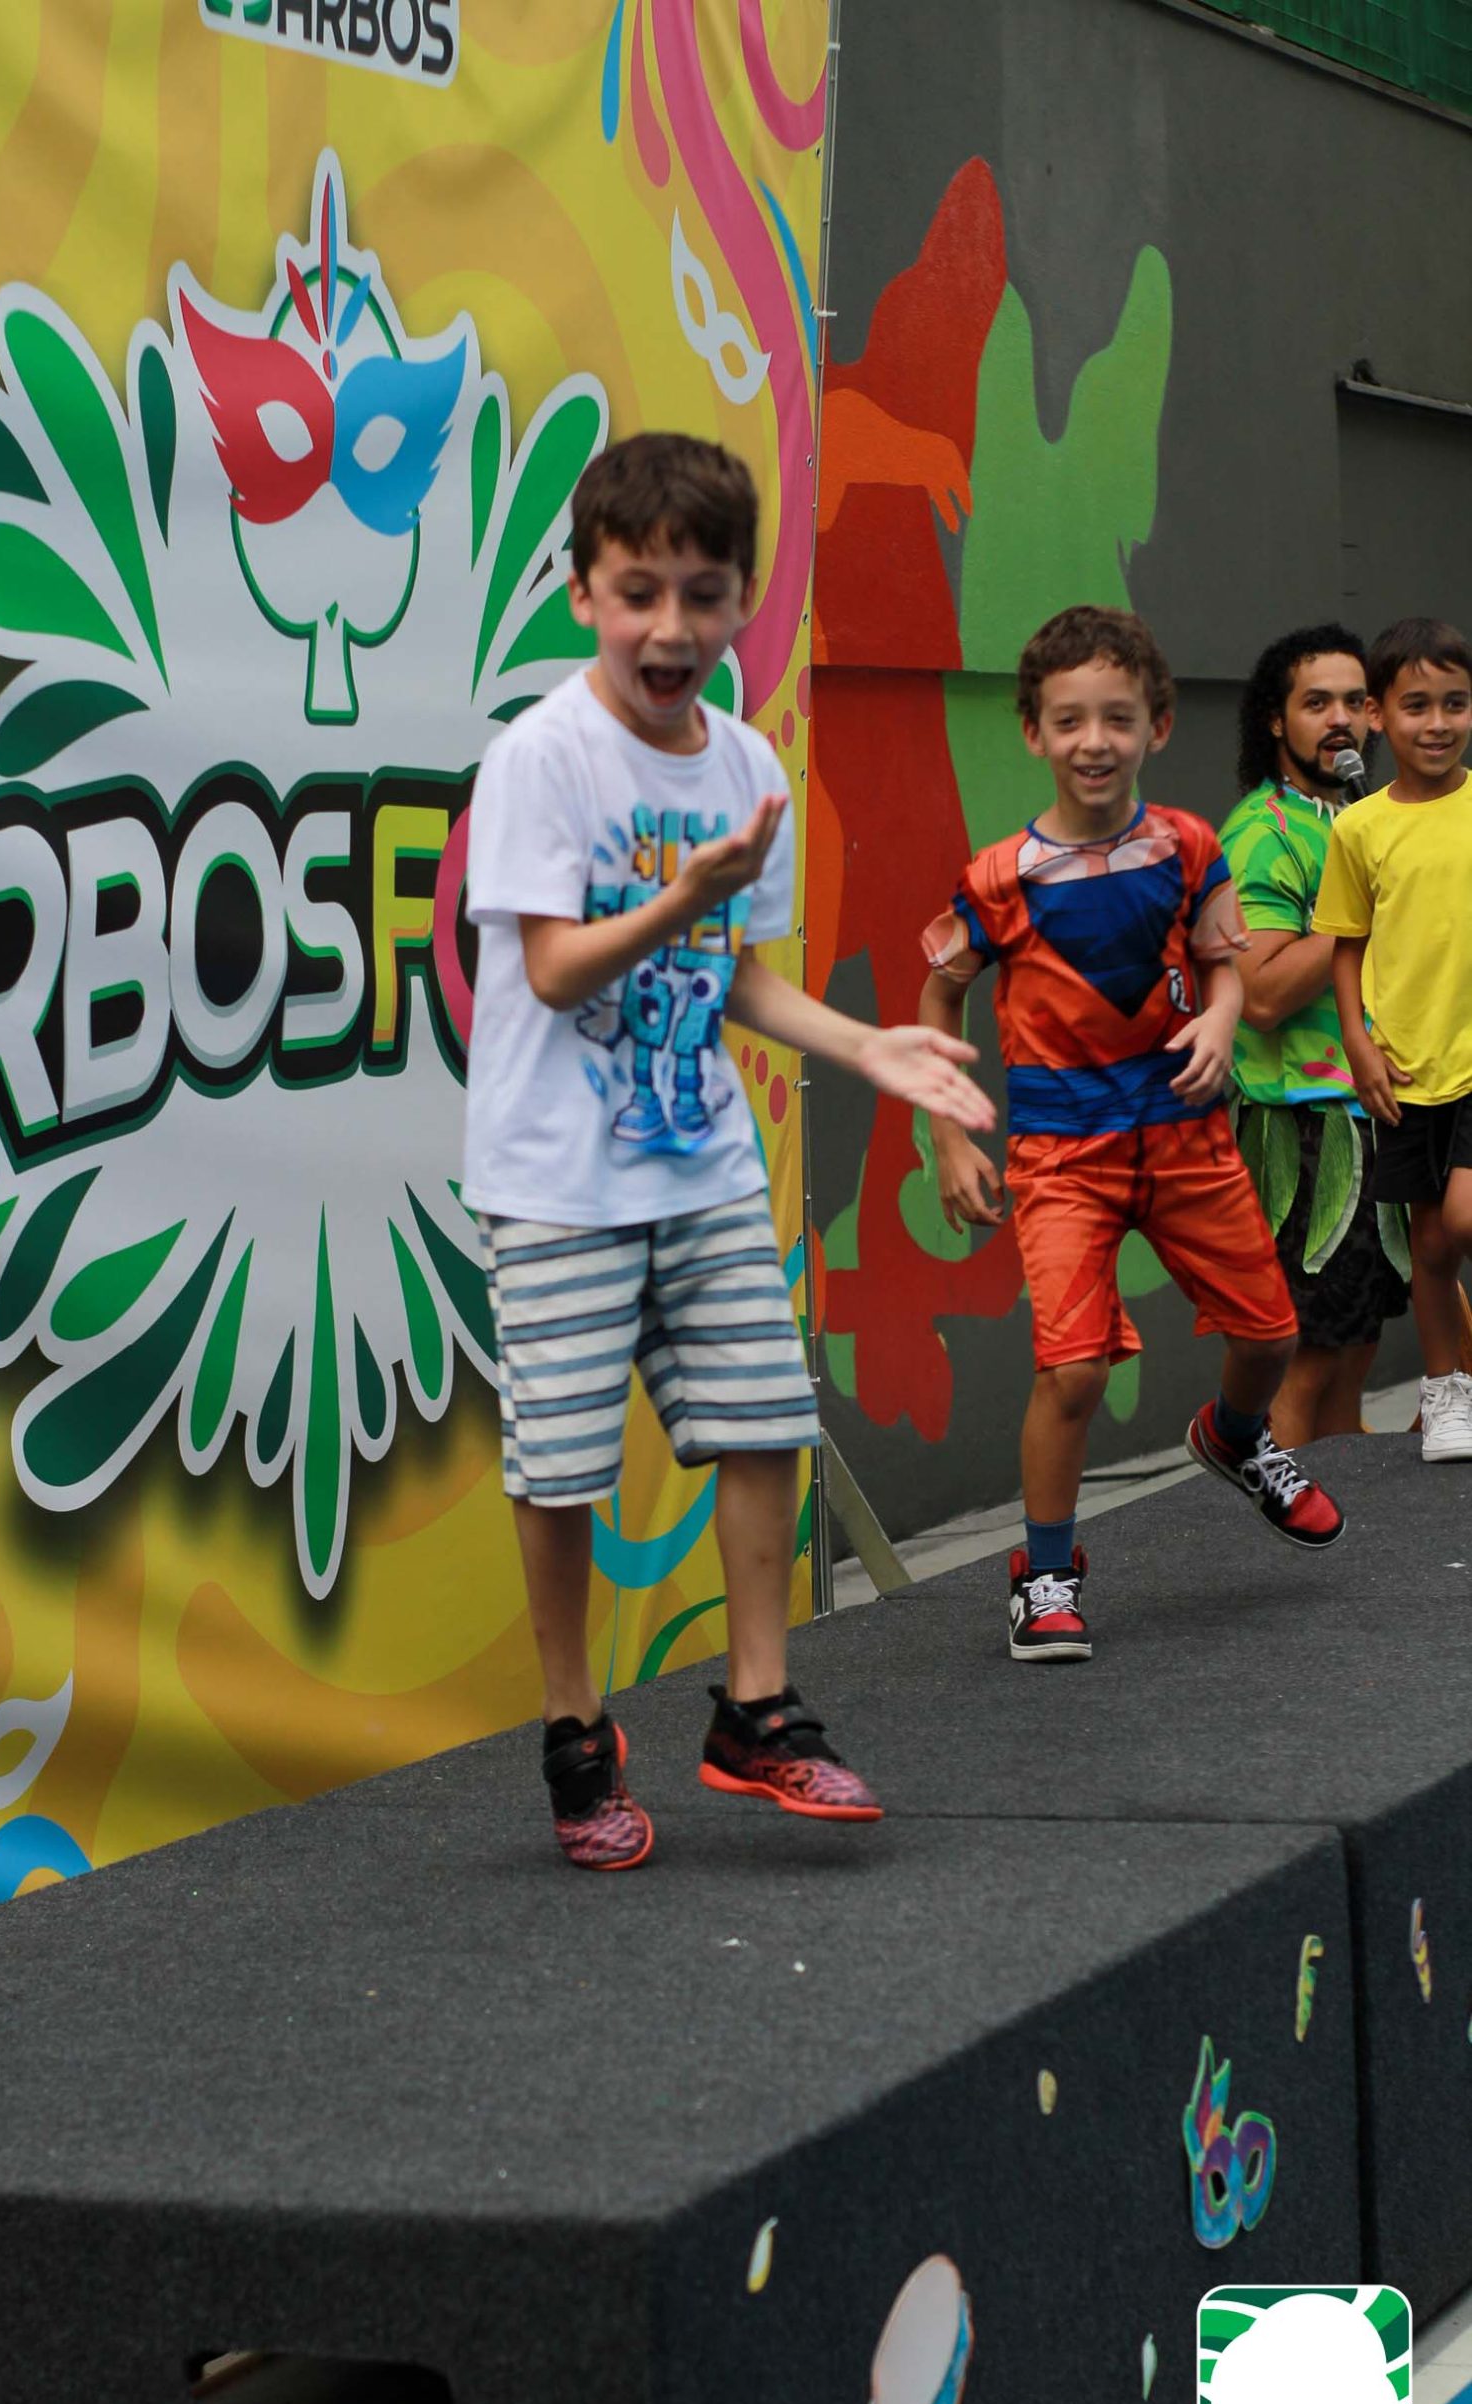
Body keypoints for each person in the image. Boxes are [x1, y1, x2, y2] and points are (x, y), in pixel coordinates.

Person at [461, 432, 994, 1868]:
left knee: (762, 1418)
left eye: (702, 595)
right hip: (556, 1182)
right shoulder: (541, 757)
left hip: (698, 1166)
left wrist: (869, 1047)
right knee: (560, 1469)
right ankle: (575, 1731)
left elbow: (735, 977)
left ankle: (756, 1709)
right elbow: (557, 970)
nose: (671, 628)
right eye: (638, 592)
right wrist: (680, 896)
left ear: (743, 599)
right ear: (582, 593)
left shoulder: (746, 761)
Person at [918, 604, 1345, 1665]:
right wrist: (948, 1136)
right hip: (1063, 1158)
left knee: (1271, 1336)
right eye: (1069, 721)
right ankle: (1044, 1573)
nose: (1093, 740)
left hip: (1188, 1140)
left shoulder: (1190, 847)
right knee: (1072, 1373)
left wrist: (1222, 1018)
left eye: (1117, 718)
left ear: (1157, 725)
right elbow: (938, 997)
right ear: (1033, 732)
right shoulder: (996, 878)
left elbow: (1223, 966)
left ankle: (1234, 1440)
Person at [1221, 626, 1408, 1445]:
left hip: (1379, 1113)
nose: (1339, 719)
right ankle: (1274, 1509)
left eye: (1353, 702)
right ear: (1275, 719)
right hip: (1301, 1130)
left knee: (1355, 1350)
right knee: (1304, 1360)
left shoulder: (1365, 821)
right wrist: (1357, 907)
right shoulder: (1261, 833)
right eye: (1315, 703)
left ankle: (1339, 1519)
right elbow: (1259, 994)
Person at [1315, 616, 1472, 1462]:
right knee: (1429, 1244)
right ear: (1376, 715)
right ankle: (1446, 1392)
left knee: (1461, 1220)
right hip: (1405, 1066)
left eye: (1454, 703)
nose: (1437, 723)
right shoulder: (1359, 830)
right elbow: (1347, 942)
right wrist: (1356, 1041)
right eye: (1416, 705)